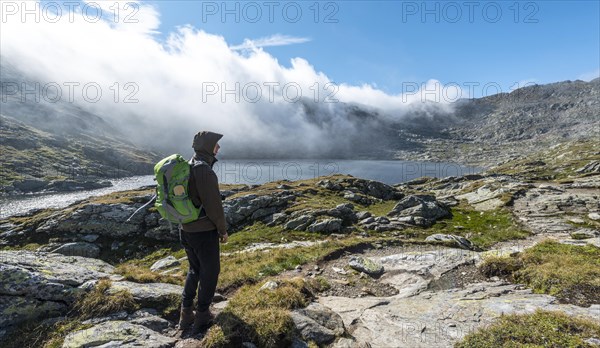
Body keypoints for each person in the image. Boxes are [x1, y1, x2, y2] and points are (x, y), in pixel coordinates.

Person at [178, 130, 228, 334]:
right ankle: (203, 315)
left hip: (186, 229)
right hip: (203, 232)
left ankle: (186, 313)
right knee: (211, 271)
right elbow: (214, 207)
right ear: (208, 146)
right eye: (216, 144)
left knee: (195, 269)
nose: (219, 147)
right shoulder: (204, 171)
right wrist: (223, 231)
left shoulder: (188, 165)